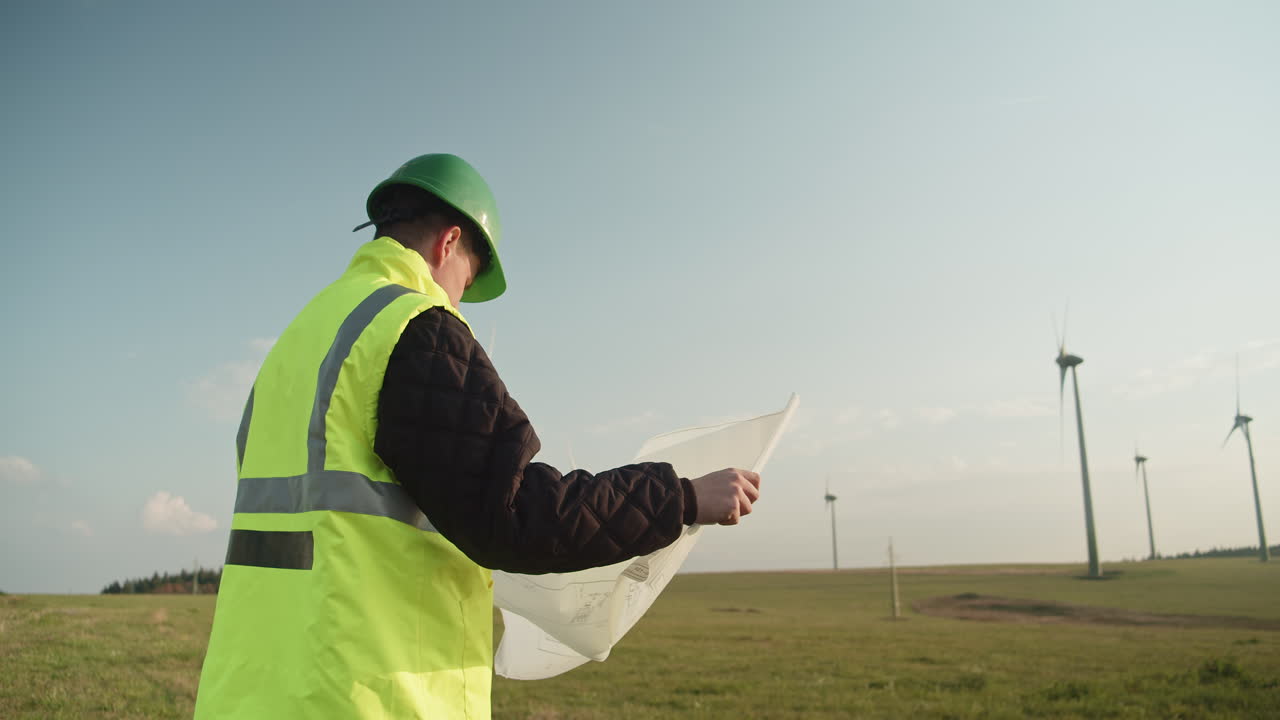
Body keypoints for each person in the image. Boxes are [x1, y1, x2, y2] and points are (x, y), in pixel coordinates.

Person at [193, 153, 762, 719]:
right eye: (466, 281)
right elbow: (513, 512)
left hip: (251, 694)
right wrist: (681, 497)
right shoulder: (412, 326)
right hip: (364, 694)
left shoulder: (301, 340)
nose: (458, 300)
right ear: (449, 243)